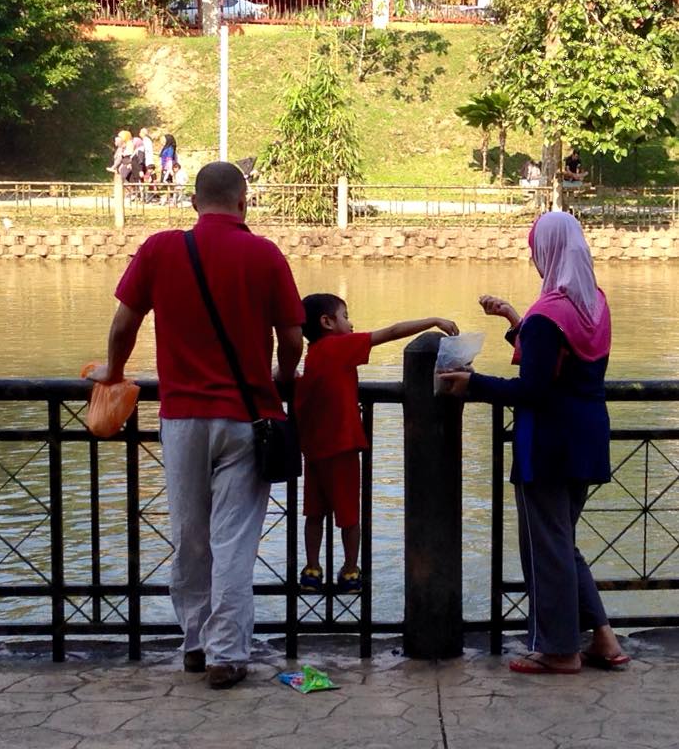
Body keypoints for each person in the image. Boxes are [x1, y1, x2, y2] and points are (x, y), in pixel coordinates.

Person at [86, 162, 304, 689]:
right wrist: (280, 377)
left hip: (181, 417)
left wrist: (112, 372)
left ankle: (195, 644)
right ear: (243, 202)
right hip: (247, 418)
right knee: (234, 540)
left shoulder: (160, 249)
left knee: (190, 535)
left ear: (193, 203)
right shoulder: (265, 254)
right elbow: (293, 338)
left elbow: (124, 323)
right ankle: (226, 655)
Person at [439, 211, 629, 675]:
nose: (532, 257)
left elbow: (534, 389)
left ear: (548, 251)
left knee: (545, 548)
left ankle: (559, 650)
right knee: (561, 540)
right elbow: (559, 364)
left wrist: (473, 382)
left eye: (534, 249)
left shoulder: (548, 314)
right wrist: (513, 318)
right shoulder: (594, 304)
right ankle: (603, 637)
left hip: (546, 444)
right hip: (587, 437)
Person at [295, 293, 459, 593]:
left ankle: (312, 569)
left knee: (314, 514)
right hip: (342, 447)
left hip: (314, 450)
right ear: (327, 322)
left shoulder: (313, 354)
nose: (351, 323)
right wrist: (433, 321)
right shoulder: (339, 346)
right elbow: (391, 332)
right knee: (349, 515)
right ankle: (350, 570)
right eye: (345, 316)